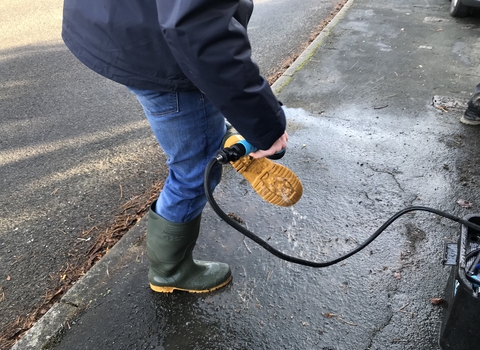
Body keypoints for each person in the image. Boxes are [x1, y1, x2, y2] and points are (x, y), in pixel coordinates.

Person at [62, 0, 288, 293]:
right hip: (160, 53)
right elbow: (198, 29)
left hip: (105, 23)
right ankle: (170, 271)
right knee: (194, 172)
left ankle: (219, 137)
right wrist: (265, 125)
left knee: (201, 137)